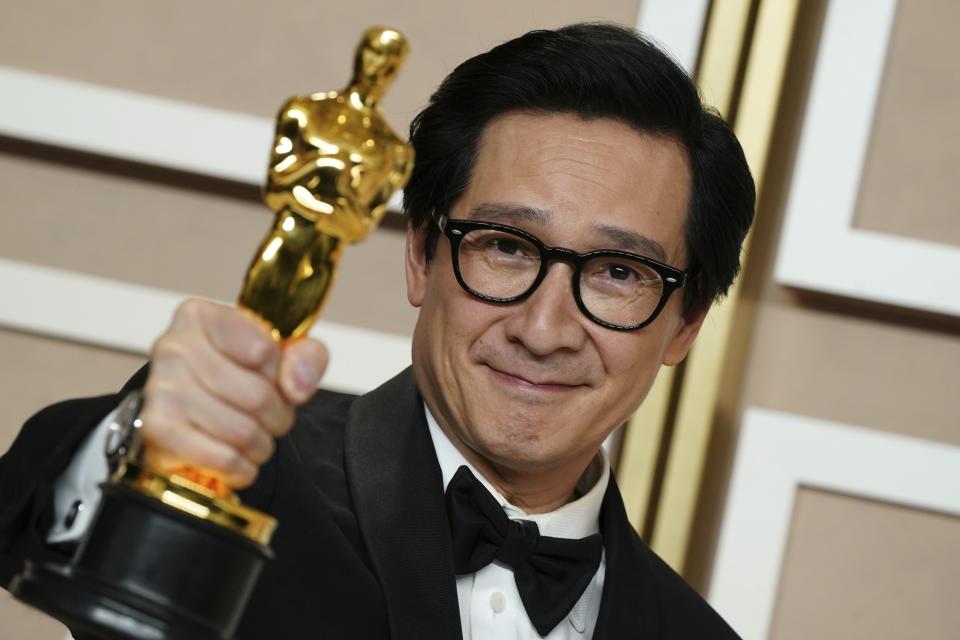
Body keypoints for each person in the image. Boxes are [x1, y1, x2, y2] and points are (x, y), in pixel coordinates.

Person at [0, 22, 754, 639]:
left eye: (619, 272)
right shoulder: (252, 472)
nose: (545, 327)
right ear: (423, 255)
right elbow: (30, 498)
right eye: (505, 247)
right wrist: (144, 447)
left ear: (685, 325)